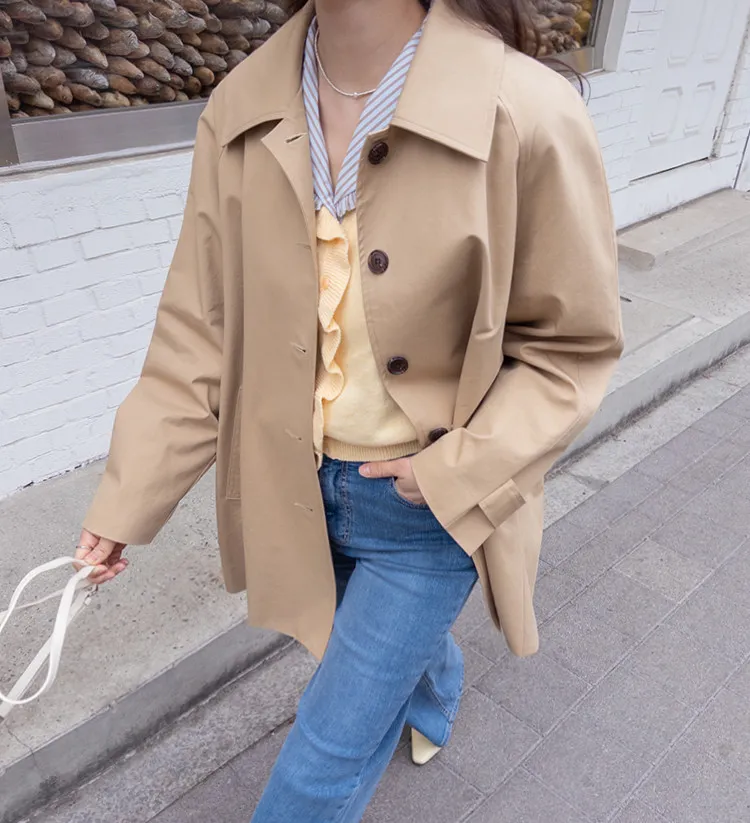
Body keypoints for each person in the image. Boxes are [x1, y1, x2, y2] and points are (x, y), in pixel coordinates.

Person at [74, 0, 623, 819]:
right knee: (384, 654)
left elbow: (569, 346)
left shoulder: (526, 110)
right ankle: (431, 680)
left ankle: (414, 673)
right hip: (295, 492)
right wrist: (128, 498)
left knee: (318, 768)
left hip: (428, 509)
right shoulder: (241, 106)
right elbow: (200, 331)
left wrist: (455, 472)